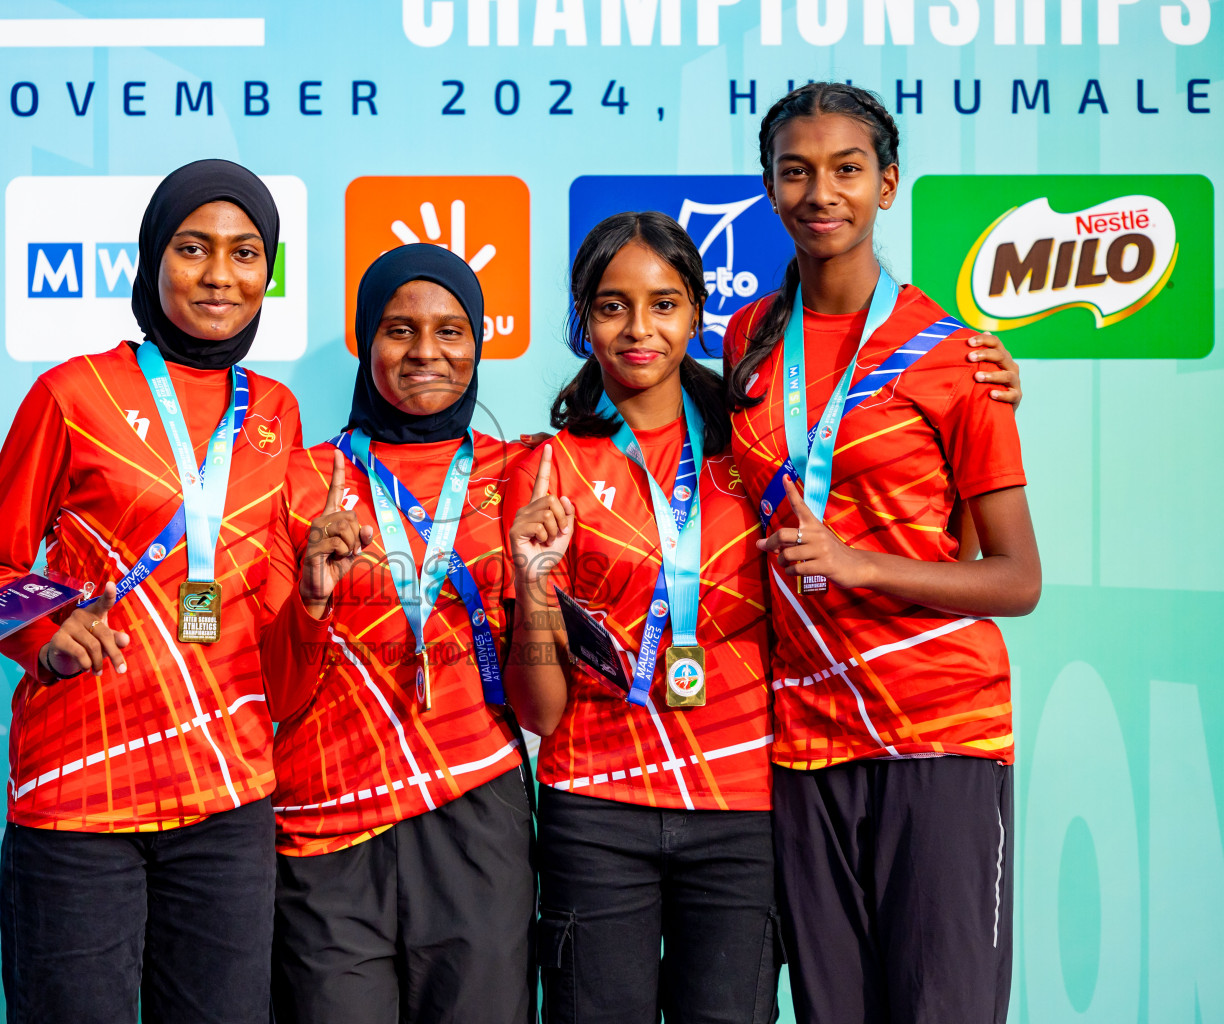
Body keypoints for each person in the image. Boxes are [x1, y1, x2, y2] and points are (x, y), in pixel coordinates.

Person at [724, 82, 1042, 1024]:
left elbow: (1016, 578)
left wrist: (862, 564)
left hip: (937, 732)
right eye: (796, 171)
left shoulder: (956, 354)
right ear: (771, 190)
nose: (822, 192)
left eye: (847, 169)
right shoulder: (749, 339)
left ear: (888, 185)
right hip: (805, 741)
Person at [0, 160, 300, 1024]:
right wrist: (47, 636)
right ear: (152, 260)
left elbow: (264, 591)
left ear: (270, 274)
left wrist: (321, 585)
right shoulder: (71, 393)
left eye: (246, 253)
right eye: (193, 249)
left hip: (226, 797)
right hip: (80, 796)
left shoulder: (276, 412)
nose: (220, 275)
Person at [504, 211, 779, 1024]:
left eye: (663, 304)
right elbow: (540, 712)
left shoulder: (759, 453)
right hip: (595, 810)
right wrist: (531, 586)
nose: (639, 329)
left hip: (740, 812)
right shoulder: (547, 469)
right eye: (611, 305)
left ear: (698, 312)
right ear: (582, 322)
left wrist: (981, 391)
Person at [263, 243, 534, 1024]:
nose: (426, 352)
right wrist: (312, 596)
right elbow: (276, 687)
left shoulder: (521, 473)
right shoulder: (303, 480)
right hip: (323, 818)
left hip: (474, 807)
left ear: (479, 341)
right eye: (399, 329)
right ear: (365, 339)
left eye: (451, 330)